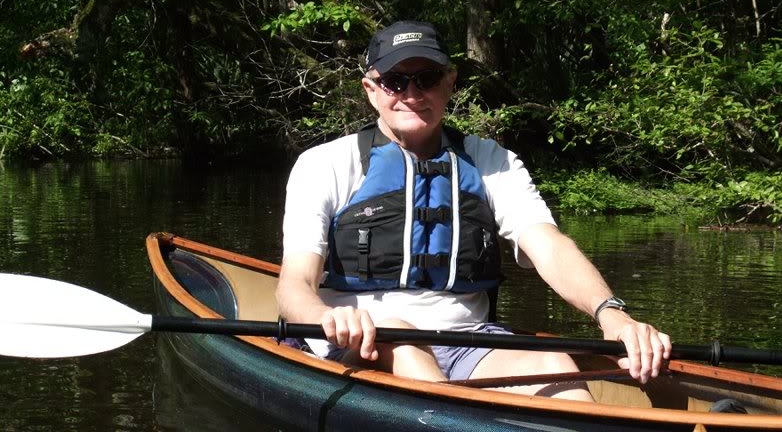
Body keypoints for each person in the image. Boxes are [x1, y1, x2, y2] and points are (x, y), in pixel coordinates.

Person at [277, 21, 671, 400]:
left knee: (554, 363)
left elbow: (549, 246)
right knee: (399, 340)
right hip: (362, 343)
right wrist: (324, 317)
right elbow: (295, 283)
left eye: (427, 78)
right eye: (396, 81)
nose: (412, 93)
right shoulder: (325, 164)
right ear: (371, 89)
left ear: (449, 83)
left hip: (468, 342)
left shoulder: (490, 161)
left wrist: (611, 314)